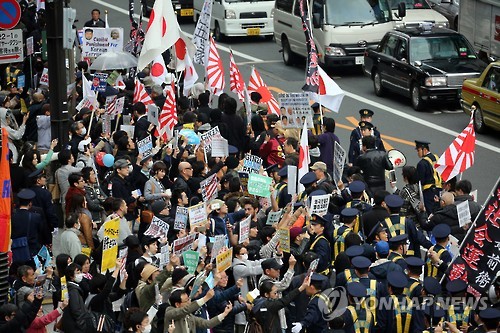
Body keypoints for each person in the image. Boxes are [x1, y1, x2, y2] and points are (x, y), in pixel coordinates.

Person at [165, 288, 233, 332]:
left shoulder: (189, 317)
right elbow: (185, 310)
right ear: (177, 304)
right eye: (186, 301)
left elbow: (207, 324)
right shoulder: (170, 313)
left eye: (189, 299)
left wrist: (224, 313)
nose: (189, 302)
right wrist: (206, 298)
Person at [415, 140, 442, 214]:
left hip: (429, 192)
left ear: (425, 150)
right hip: (439, 190)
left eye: (419, 150)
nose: (418, 153)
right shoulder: (437, 158)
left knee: (429, 213)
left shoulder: (422, 163)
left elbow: (421, 181)